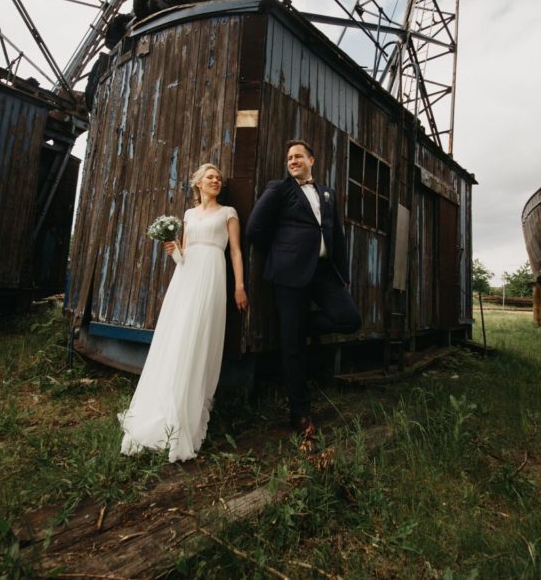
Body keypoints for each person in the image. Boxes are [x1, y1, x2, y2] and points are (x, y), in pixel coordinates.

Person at [119, 163, 249, 462]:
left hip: (213, 277)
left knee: (200, 336)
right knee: (178, 336)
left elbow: (236, 252)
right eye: (210, 177)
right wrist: (174, 249)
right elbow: (184, 256)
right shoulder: (188, 216)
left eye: (218, 178)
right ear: (198, 184)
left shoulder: (228, 213)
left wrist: (239, 286)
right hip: (186, 280)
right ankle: (164, 405)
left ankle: (189, 407)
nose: (215, 180)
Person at [245, 140, 361, 435]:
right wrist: (284, 253)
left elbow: (339, 235)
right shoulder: (279, 189)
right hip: (289, 275)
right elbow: (255, 229)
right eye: (289, 158)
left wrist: (343, 275)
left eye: (298, 156)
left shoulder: (328, 194)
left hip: (324, 274)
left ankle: (296, 327)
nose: (293, 161)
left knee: (349, 319)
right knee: (293, 349)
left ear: (312, 159)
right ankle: (300, 414)